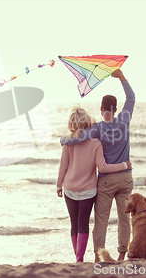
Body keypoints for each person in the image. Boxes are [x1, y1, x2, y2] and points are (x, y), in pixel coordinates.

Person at [60, 69, 135, 262]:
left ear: (101, 110)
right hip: (125, 177)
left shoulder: (97, 128)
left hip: (106, 181)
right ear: (116, 110)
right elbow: (131, 97)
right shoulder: (124, 120)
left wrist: (63, 139)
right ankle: (120, 256)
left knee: (101, 220)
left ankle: (97, 256)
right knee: (123, 218)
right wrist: (122, 77)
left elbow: (77, 138)